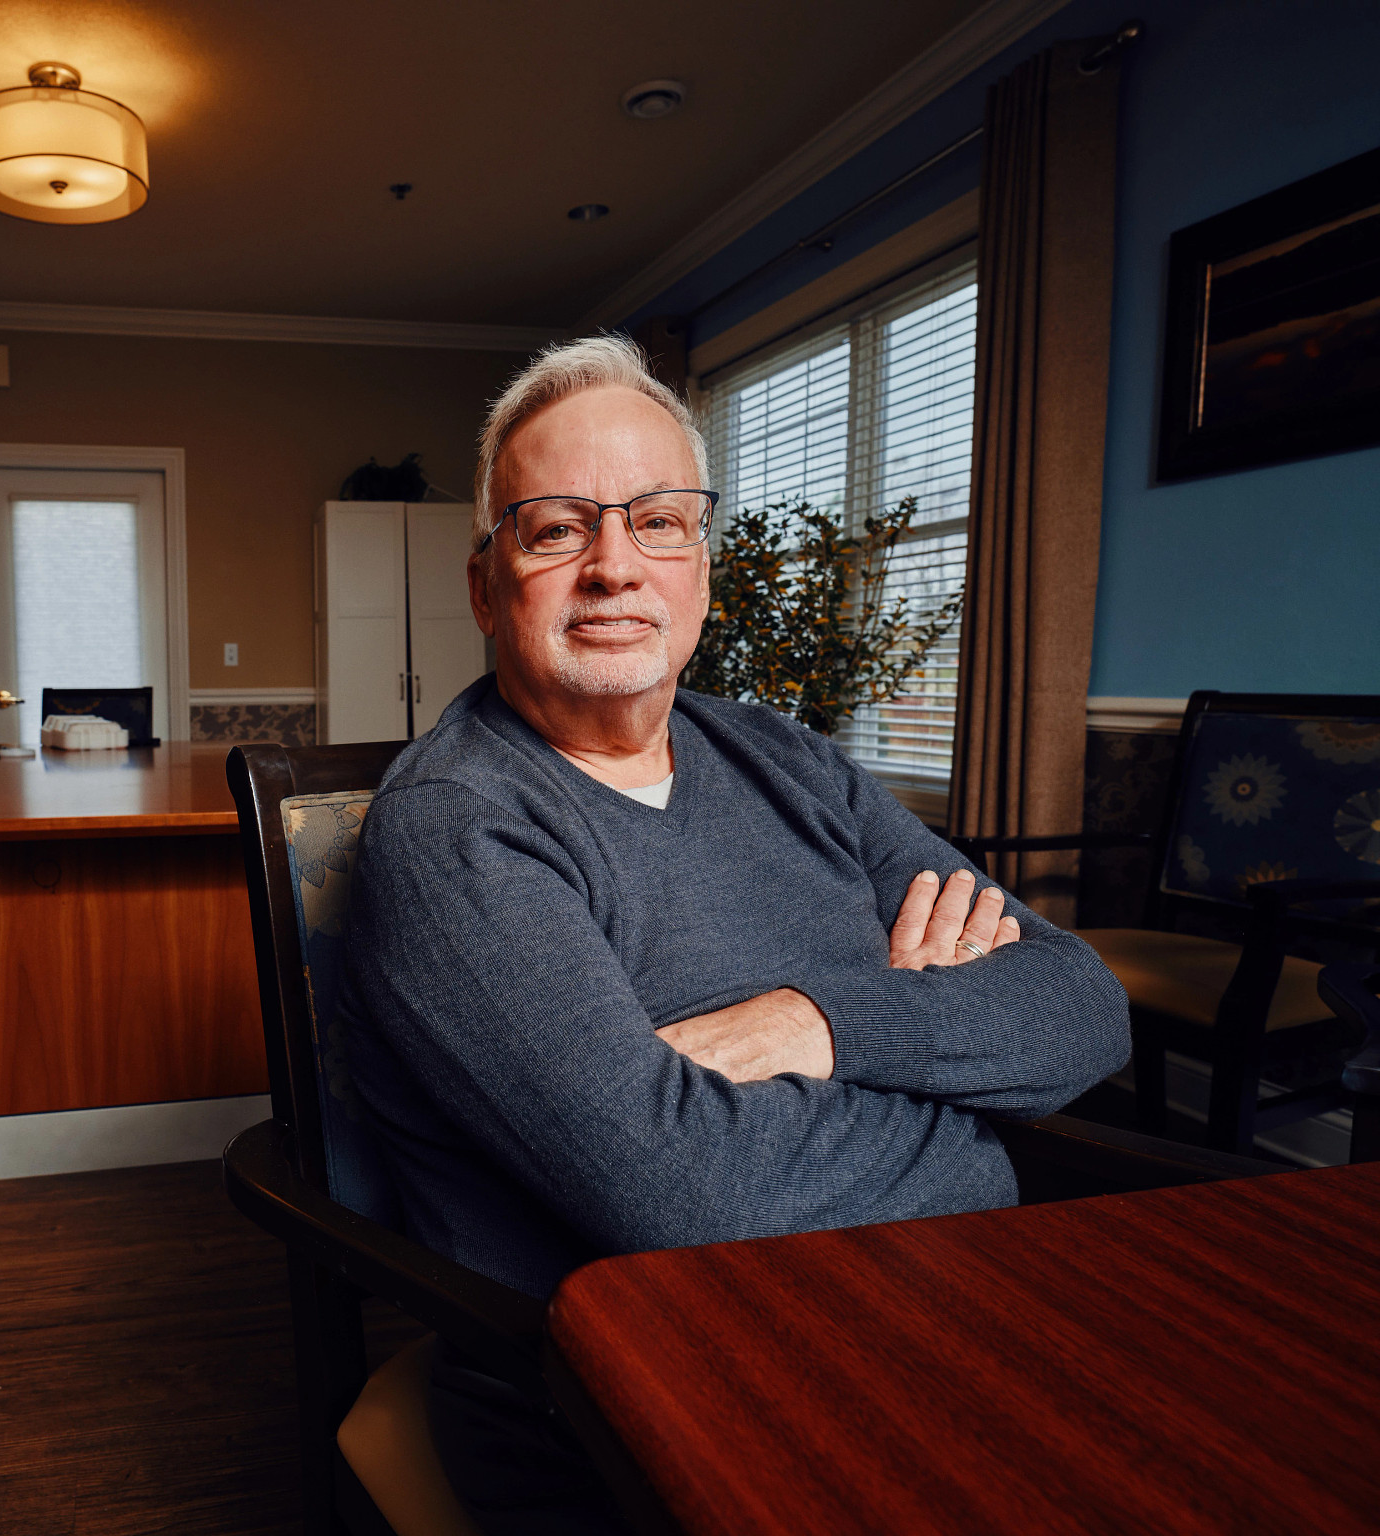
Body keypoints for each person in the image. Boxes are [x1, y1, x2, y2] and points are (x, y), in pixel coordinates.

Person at [340, 333, 1129, 1534]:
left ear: (699, 567)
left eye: (657, 521)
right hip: (654, 1403)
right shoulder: (456, 824)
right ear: (487, 586)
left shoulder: (785, 757)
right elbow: (686, 1197)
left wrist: (813, 1025)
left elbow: (1082, 1009)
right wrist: (964, 1096)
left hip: (936, 1324)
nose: (614, 567)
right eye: (556, 529)